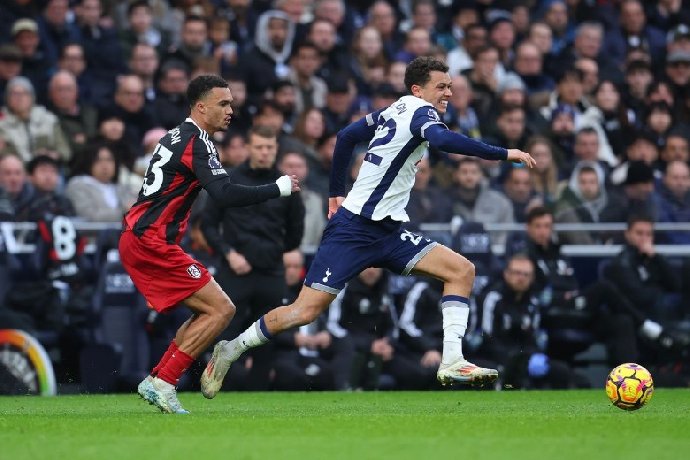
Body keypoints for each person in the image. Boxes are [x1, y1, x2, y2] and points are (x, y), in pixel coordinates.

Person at [200, 56, 536, 398]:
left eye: (450, 86)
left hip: (389, 231)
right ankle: (231, 349)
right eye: (442, 86)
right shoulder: (422, 113)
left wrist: (335, 192)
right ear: (418, 90)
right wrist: (504, 152)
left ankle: (452, 360)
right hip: (354, 230)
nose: (448, 92)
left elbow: (346, 136)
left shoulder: (394, 110)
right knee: (303, 311)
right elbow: (444, 141)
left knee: (461, 270)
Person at [118, 75, 299, 414]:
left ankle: (159, 379)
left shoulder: (174, 136)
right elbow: (225, 194)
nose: (231, 110)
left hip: (142, 237)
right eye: (223, 104)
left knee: (210, 309)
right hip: (150, 241)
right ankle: (164, 382)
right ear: (201, 107)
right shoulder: (197, 143)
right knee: (222, 310)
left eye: (231, 103)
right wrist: (279, 188)